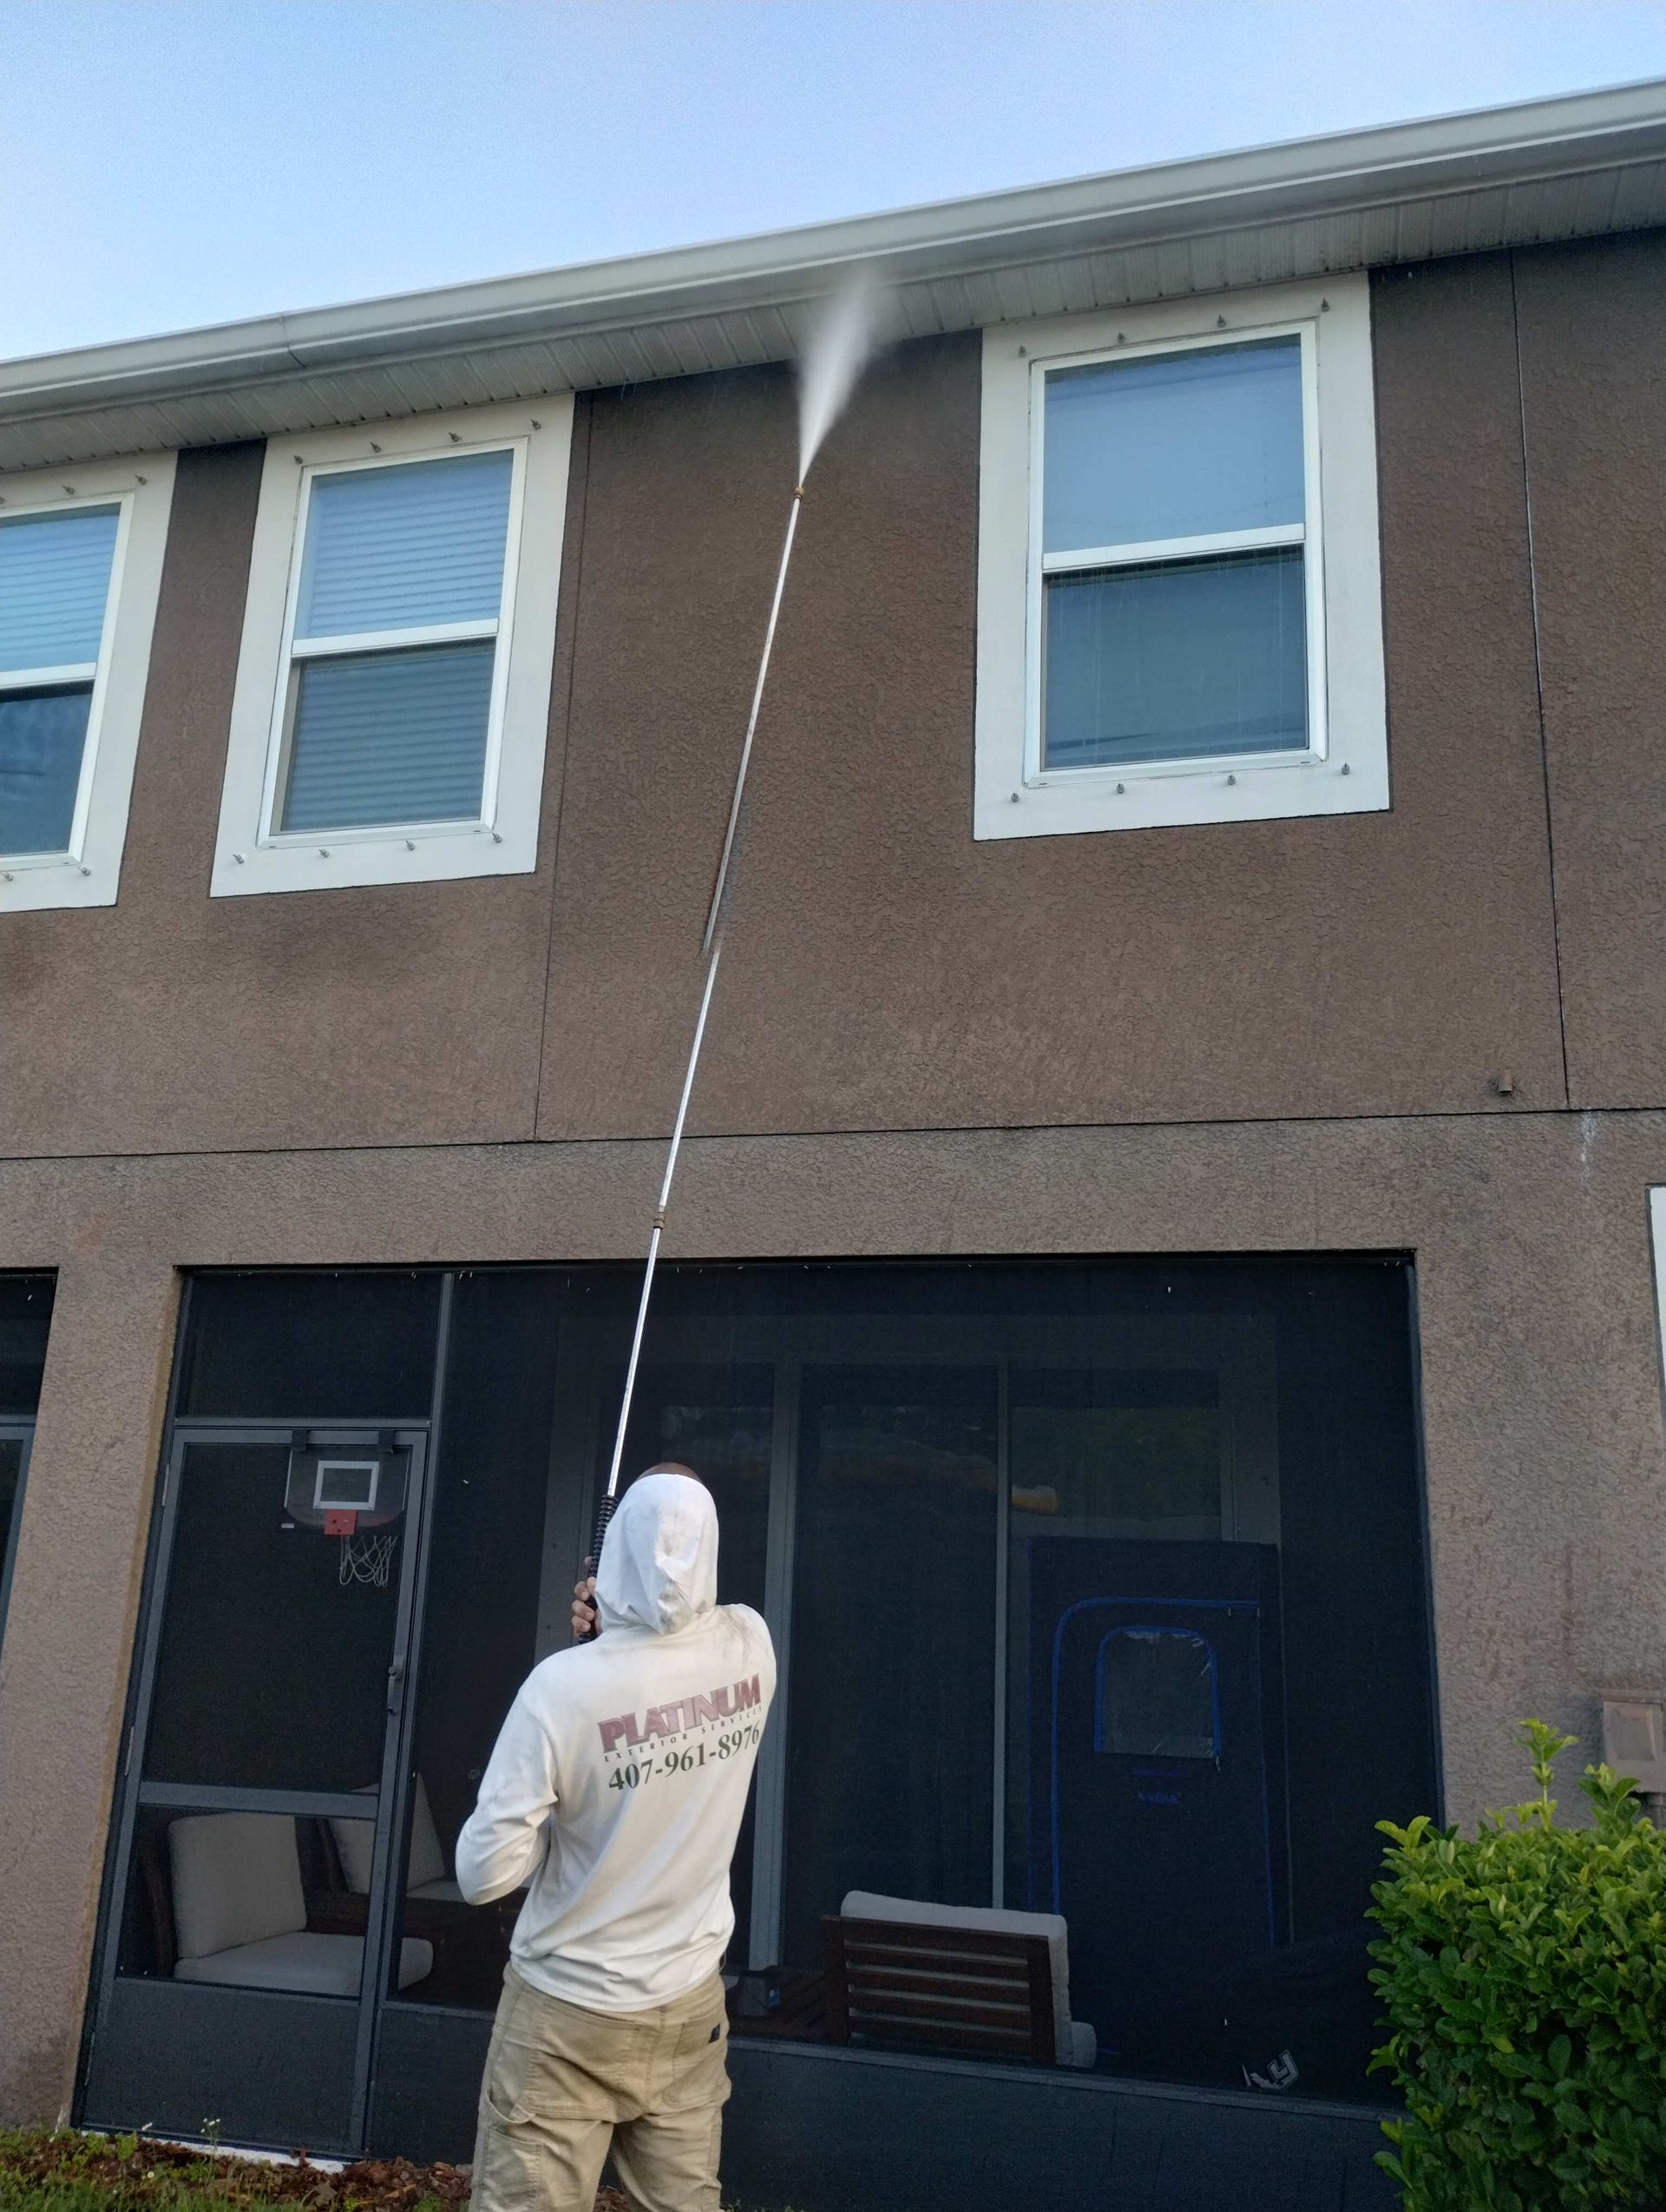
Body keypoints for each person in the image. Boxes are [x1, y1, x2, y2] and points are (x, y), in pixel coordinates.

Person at [456, 1465, 775, 2212]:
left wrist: (605, 1638)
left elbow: (482, 1875)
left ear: (615, 1552)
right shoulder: (751, 1646)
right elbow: (674, 1612)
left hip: (568, 2013)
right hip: (690, 2004)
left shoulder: (561, 1690)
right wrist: (624, 1622)